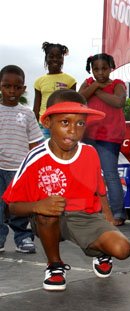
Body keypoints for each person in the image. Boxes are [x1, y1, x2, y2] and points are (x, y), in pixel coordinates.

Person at [2, 89, 130, 291]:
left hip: (85, 216)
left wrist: (107, 216)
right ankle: (55, 266)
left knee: (123, 249)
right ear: (47, 123)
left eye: (80, 123)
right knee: (48, 211)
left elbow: (100, 190)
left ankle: (99, 252)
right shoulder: (35, 158)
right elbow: (11, 208)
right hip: (49, 218)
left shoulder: (90, 153)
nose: (73, 130)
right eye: (65, 122)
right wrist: (38, 205)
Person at [79, 53, 127, 226]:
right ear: (91, 69)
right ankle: (88, 210)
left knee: (110, 174)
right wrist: (94, 87)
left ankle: (118, 213)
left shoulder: (117, 84)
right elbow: (80, 98)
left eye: (104, 68)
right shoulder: (88, 83)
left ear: (111, 67)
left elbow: (118, 102)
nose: (100, 72)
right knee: (87, 175)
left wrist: (97, 90)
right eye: (95, 69)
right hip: (88, 134)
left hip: (109, 136)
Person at [0, 65, 44, 254]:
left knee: (19, 208)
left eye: (17, 87)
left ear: (23, 89)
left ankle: (23, 237)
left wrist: (33, 169)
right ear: (0, 86)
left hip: (19, 170)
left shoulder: (27, 113)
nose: (12, 91)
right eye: (7, 86)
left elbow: (35, 143)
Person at [34, 42, 77, 137]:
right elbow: (36, 108)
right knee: (45, 150)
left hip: (63, 124)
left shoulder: (70, 81)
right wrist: (34, 127)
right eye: (51, 56)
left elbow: (73, 106)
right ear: (46, 58)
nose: (55, 59)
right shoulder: (39, 81)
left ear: (63, 59)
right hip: (44, 124)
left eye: (59, 57)